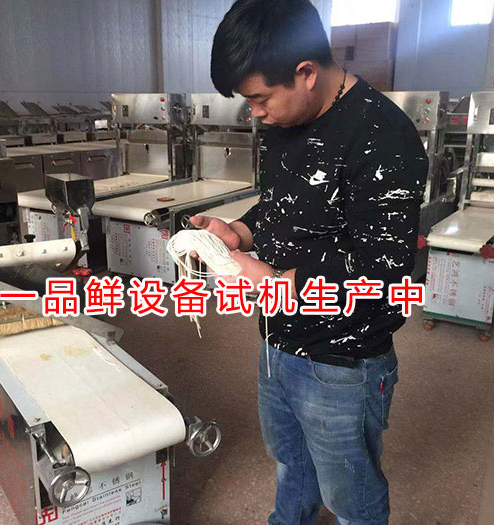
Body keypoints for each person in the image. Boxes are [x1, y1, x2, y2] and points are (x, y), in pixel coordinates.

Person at [192, 1, 428, 523]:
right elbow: (282, 204)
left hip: (342, 360)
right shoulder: (287, 120)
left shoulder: (383, 136)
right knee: (291, 465)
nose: (255, 113)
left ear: (305, 73)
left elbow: (384, 265)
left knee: (350, 493)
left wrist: (272, 278)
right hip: (278, 340)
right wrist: (239, 232)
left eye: (259, 98)